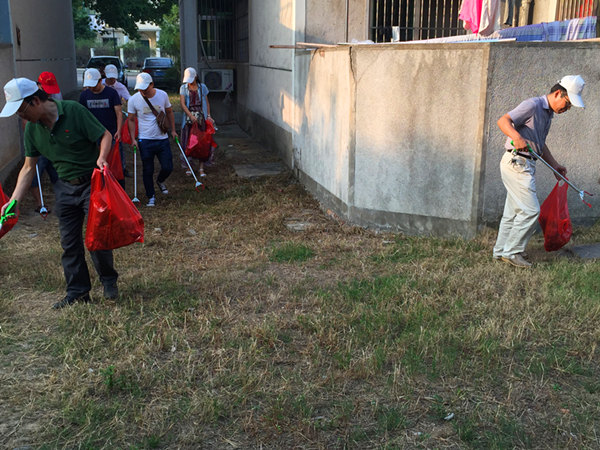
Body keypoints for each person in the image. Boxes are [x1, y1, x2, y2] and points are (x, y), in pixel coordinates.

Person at [0, 77, 118, 308]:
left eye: (21, 111)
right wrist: (14, 200)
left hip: (91, 184)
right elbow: (28, 167)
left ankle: (108, 281)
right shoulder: (32, 130)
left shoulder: (73, 111)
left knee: (97, 238)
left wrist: (102, 157)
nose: (20, 116)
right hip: (64, 188)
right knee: (69, 243)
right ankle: (78, 292)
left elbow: (104, 135)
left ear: (35, 101)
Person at [493, 75, 585, 268]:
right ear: (558, 93)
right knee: (531, 210)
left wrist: (555, 165)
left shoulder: (548, 114)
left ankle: (501, 251)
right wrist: (516, 137)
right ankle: (512, 252)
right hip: (516, 162)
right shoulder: (534, 105)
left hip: (525, 164)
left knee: (513, 212)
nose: (567, 109)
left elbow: (540, 145)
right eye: (567, 104)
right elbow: (503, 121)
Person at [127, 72, 177, 207]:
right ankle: (151, 196)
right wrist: (133, 138)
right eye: (140, 88)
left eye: (145, 88)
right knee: (147, 169)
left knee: (168, 167)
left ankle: (160, 181)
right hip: (145, 140)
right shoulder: (133, 99)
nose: (142, 91)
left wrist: (173, 130)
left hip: (162, 138)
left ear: (152, 84)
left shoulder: (162, 95)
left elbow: (170, 112)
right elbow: (131, 119)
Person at [80, 68, 124, 186]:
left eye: (93, 85)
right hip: (93, 135)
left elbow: (118, 112)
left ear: (100, 81)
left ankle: (117, 187)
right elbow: (82, 115)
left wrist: (119, 130)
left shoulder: (111, 93)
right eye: (89, 86)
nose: (91, 88)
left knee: (115, 163)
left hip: (111, 132)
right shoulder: (84, 95)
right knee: (96, 162)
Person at [28, 72, 61, 213]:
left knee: (57, 173)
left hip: (54, 141)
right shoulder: (31, 98)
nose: (49, 93)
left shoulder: (57, 95)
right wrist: (36, 140)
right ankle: (40, 204)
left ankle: (62, 199)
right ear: (39, 85)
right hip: (39, 142)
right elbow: (27, 122)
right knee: (36, 172)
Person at [179, 67, 213, 177]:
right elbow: (183, 104)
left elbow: (206, 103)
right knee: (189, 143)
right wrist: (190, 115)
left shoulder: (202, 88)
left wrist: (208, 115)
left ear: (196, 77)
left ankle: (201, 168)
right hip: (189, 120)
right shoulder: (183, 88)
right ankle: (189, 166)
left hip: (201, 118)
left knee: (202, 143)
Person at [103, 64, 131, 176]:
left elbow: (129, 99)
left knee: (117, 144)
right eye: (109, 77)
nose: (111, 80)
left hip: (114, 119)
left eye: (113, 77)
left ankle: (121, 168)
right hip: (102, 118)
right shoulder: (100, 84)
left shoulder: (120, 87)